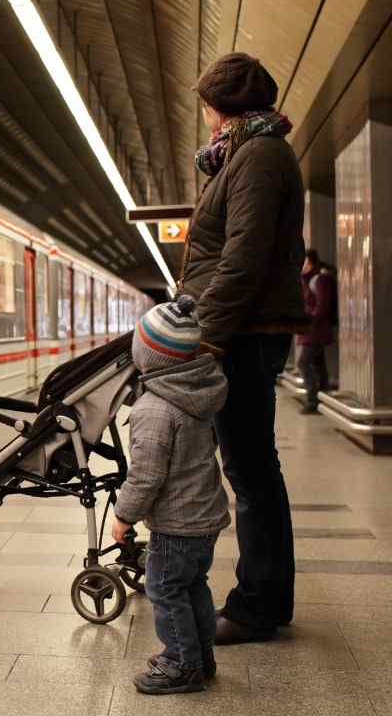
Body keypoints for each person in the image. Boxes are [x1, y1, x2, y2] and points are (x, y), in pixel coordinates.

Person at [181, 52, 308, 644]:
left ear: (217, 107)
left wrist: (205, 334)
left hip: (245, 333)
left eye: (205, 104)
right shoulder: (246, 153)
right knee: (252, 467)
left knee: (252, 471)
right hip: (245, 328)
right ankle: (264, 598)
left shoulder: (257, 157)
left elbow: (243, 257)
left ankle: (258, 605)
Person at [112, 295, 230, 695]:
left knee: (164, 589)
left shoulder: (153, 410)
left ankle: (181, 664)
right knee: (193, 586)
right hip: (205, 517)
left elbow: (146, 476)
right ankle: (201, 656)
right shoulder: (197, 393)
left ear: (146, 357)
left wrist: (124, 515)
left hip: (176, 524)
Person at [296, 249, 335, 414]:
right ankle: (322, 396)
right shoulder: (308, 279)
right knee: (319, 364)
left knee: (303, 363)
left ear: (309, 261)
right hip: (312, 330)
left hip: (315, 330)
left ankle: (312, 400)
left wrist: (309, 320)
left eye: (303, 261)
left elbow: (322, 305)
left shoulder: (318, 279)